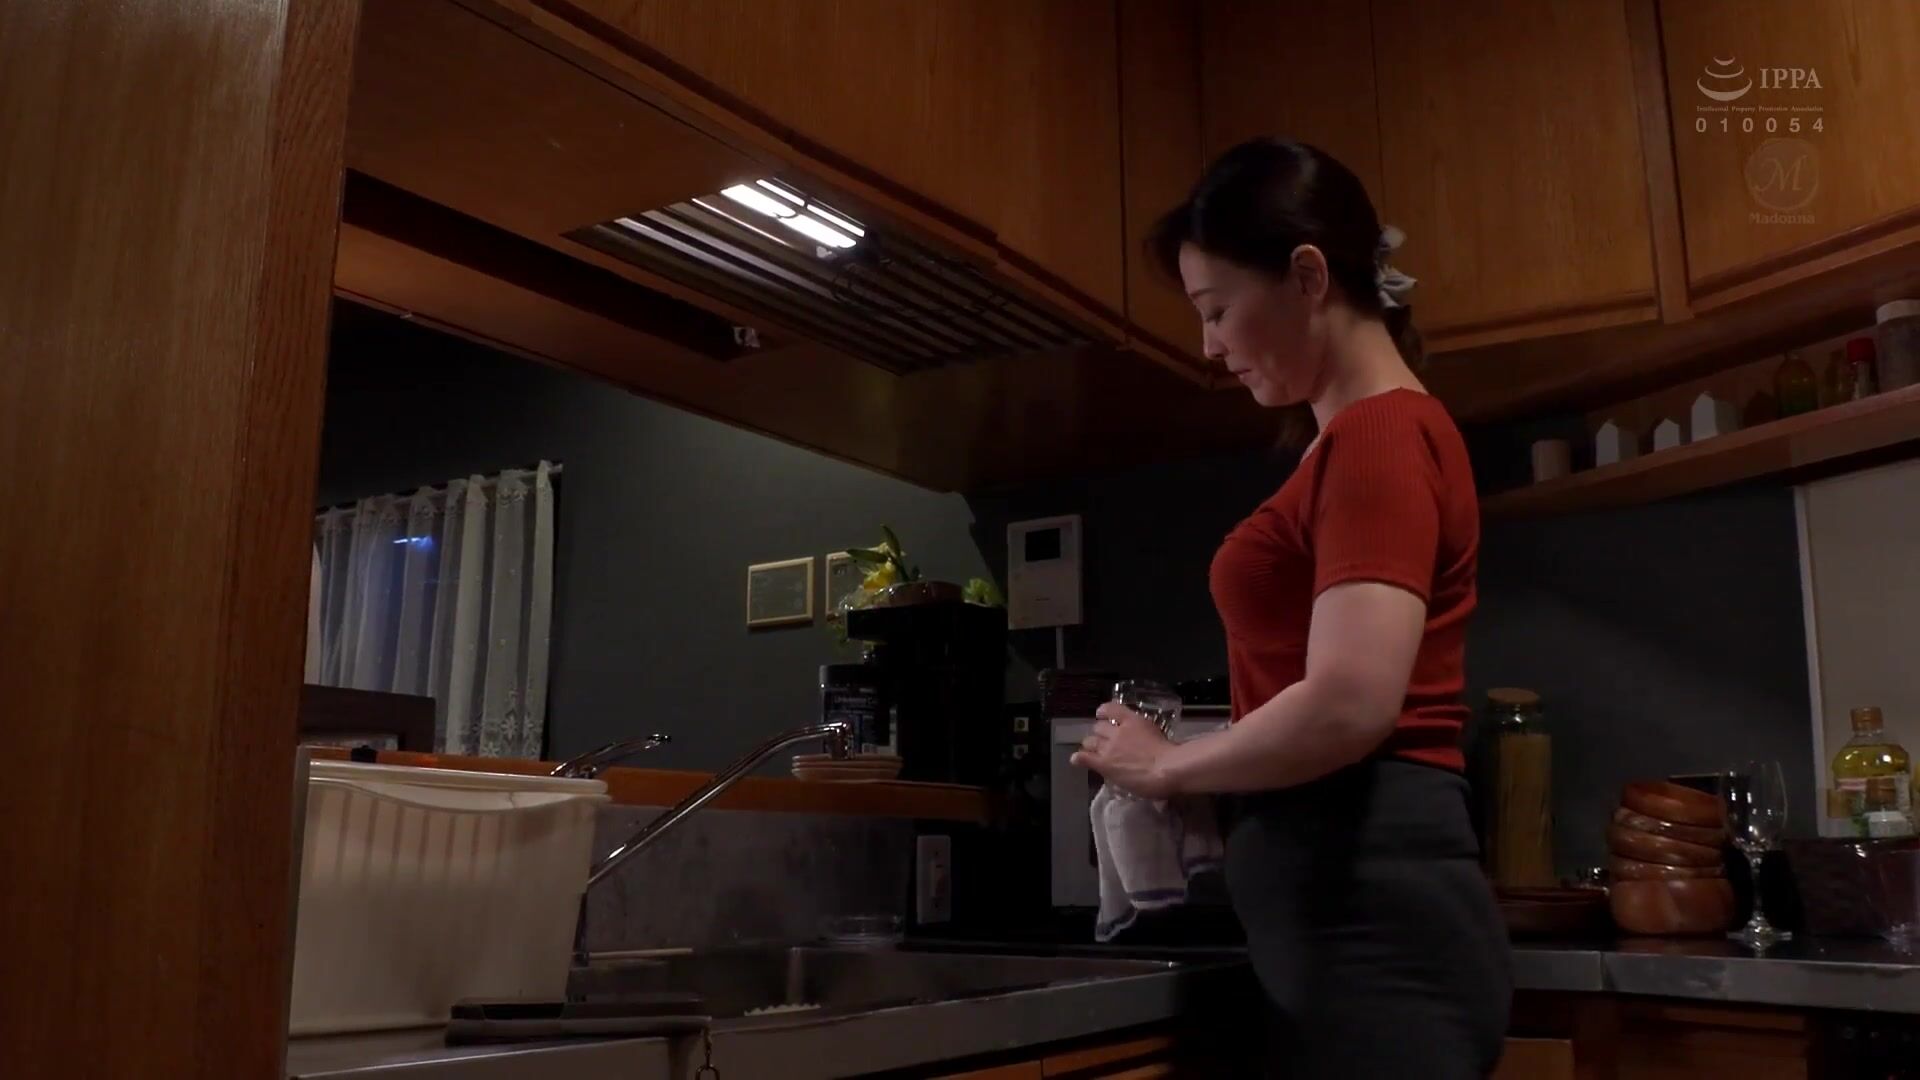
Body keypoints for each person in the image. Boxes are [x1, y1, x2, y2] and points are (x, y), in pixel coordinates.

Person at [1069, 138, 1510, 1078]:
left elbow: (1351, 702)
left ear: (1308, 276)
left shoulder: (1379, 437)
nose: (1209, 345)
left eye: (1217, 310)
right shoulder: (1349, 441)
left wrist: (1169, 767)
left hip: (1369, 906)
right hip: (1346, 902)